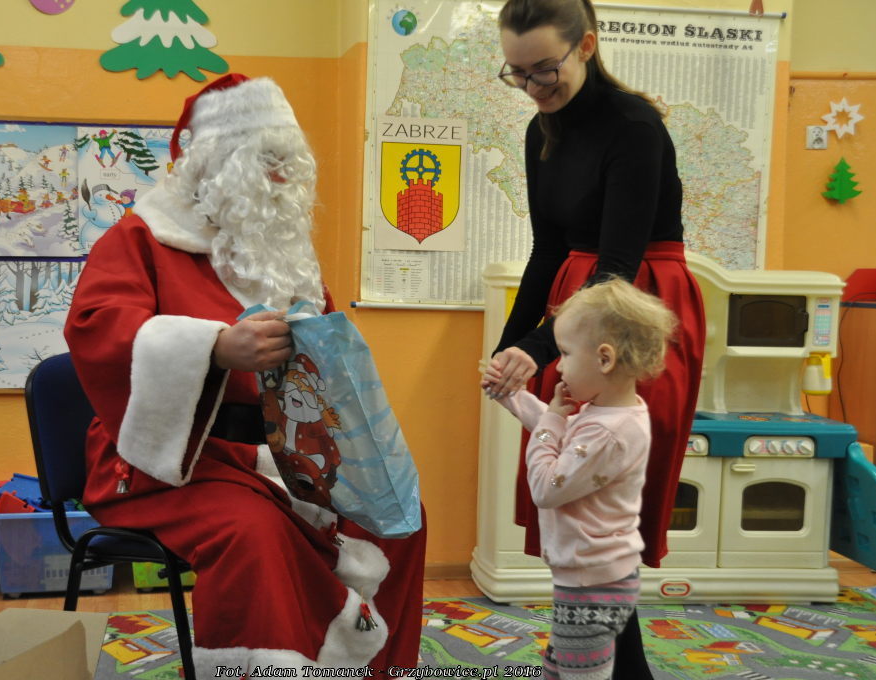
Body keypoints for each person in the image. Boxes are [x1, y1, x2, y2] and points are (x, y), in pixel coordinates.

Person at [65, 74, 426, 677]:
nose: (281, 178)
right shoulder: (143, 237)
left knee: (398, 517)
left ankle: (376, 669)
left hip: (282, 455)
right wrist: (214, 348)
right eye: (266, 160)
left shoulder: (282, 252)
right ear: (215, 162)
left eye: (289, 161)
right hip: (169, 463)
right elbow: (96, 329)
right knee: (254, 534)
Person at [480, 0, 706, 675]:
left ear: (586, 46)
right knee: (575, 498)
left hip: (632, 311)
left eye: (543, 69)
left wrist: (539, 347)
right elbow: (546, 251)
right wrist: (509, 346)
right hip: (574, 312)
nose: (532, 87)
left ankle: (603, 660)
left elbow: (616, 267)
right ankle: (602, 659)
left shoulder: (634, 127)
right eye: (517, 73)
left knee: (606, 498)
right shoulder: (540, 131)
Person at [493, 279, 677, 680]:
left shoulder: (608, 433)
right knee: (561, 666)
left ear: (604, 359)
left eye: (565, 353)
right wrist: (511, 395)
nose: (558, 366)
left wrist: (552, 419)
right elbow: (563, 435)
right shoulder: (608, 414)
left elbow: (546, 487)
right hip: (595, 577)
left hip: (591, 586)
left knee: (580, 673)